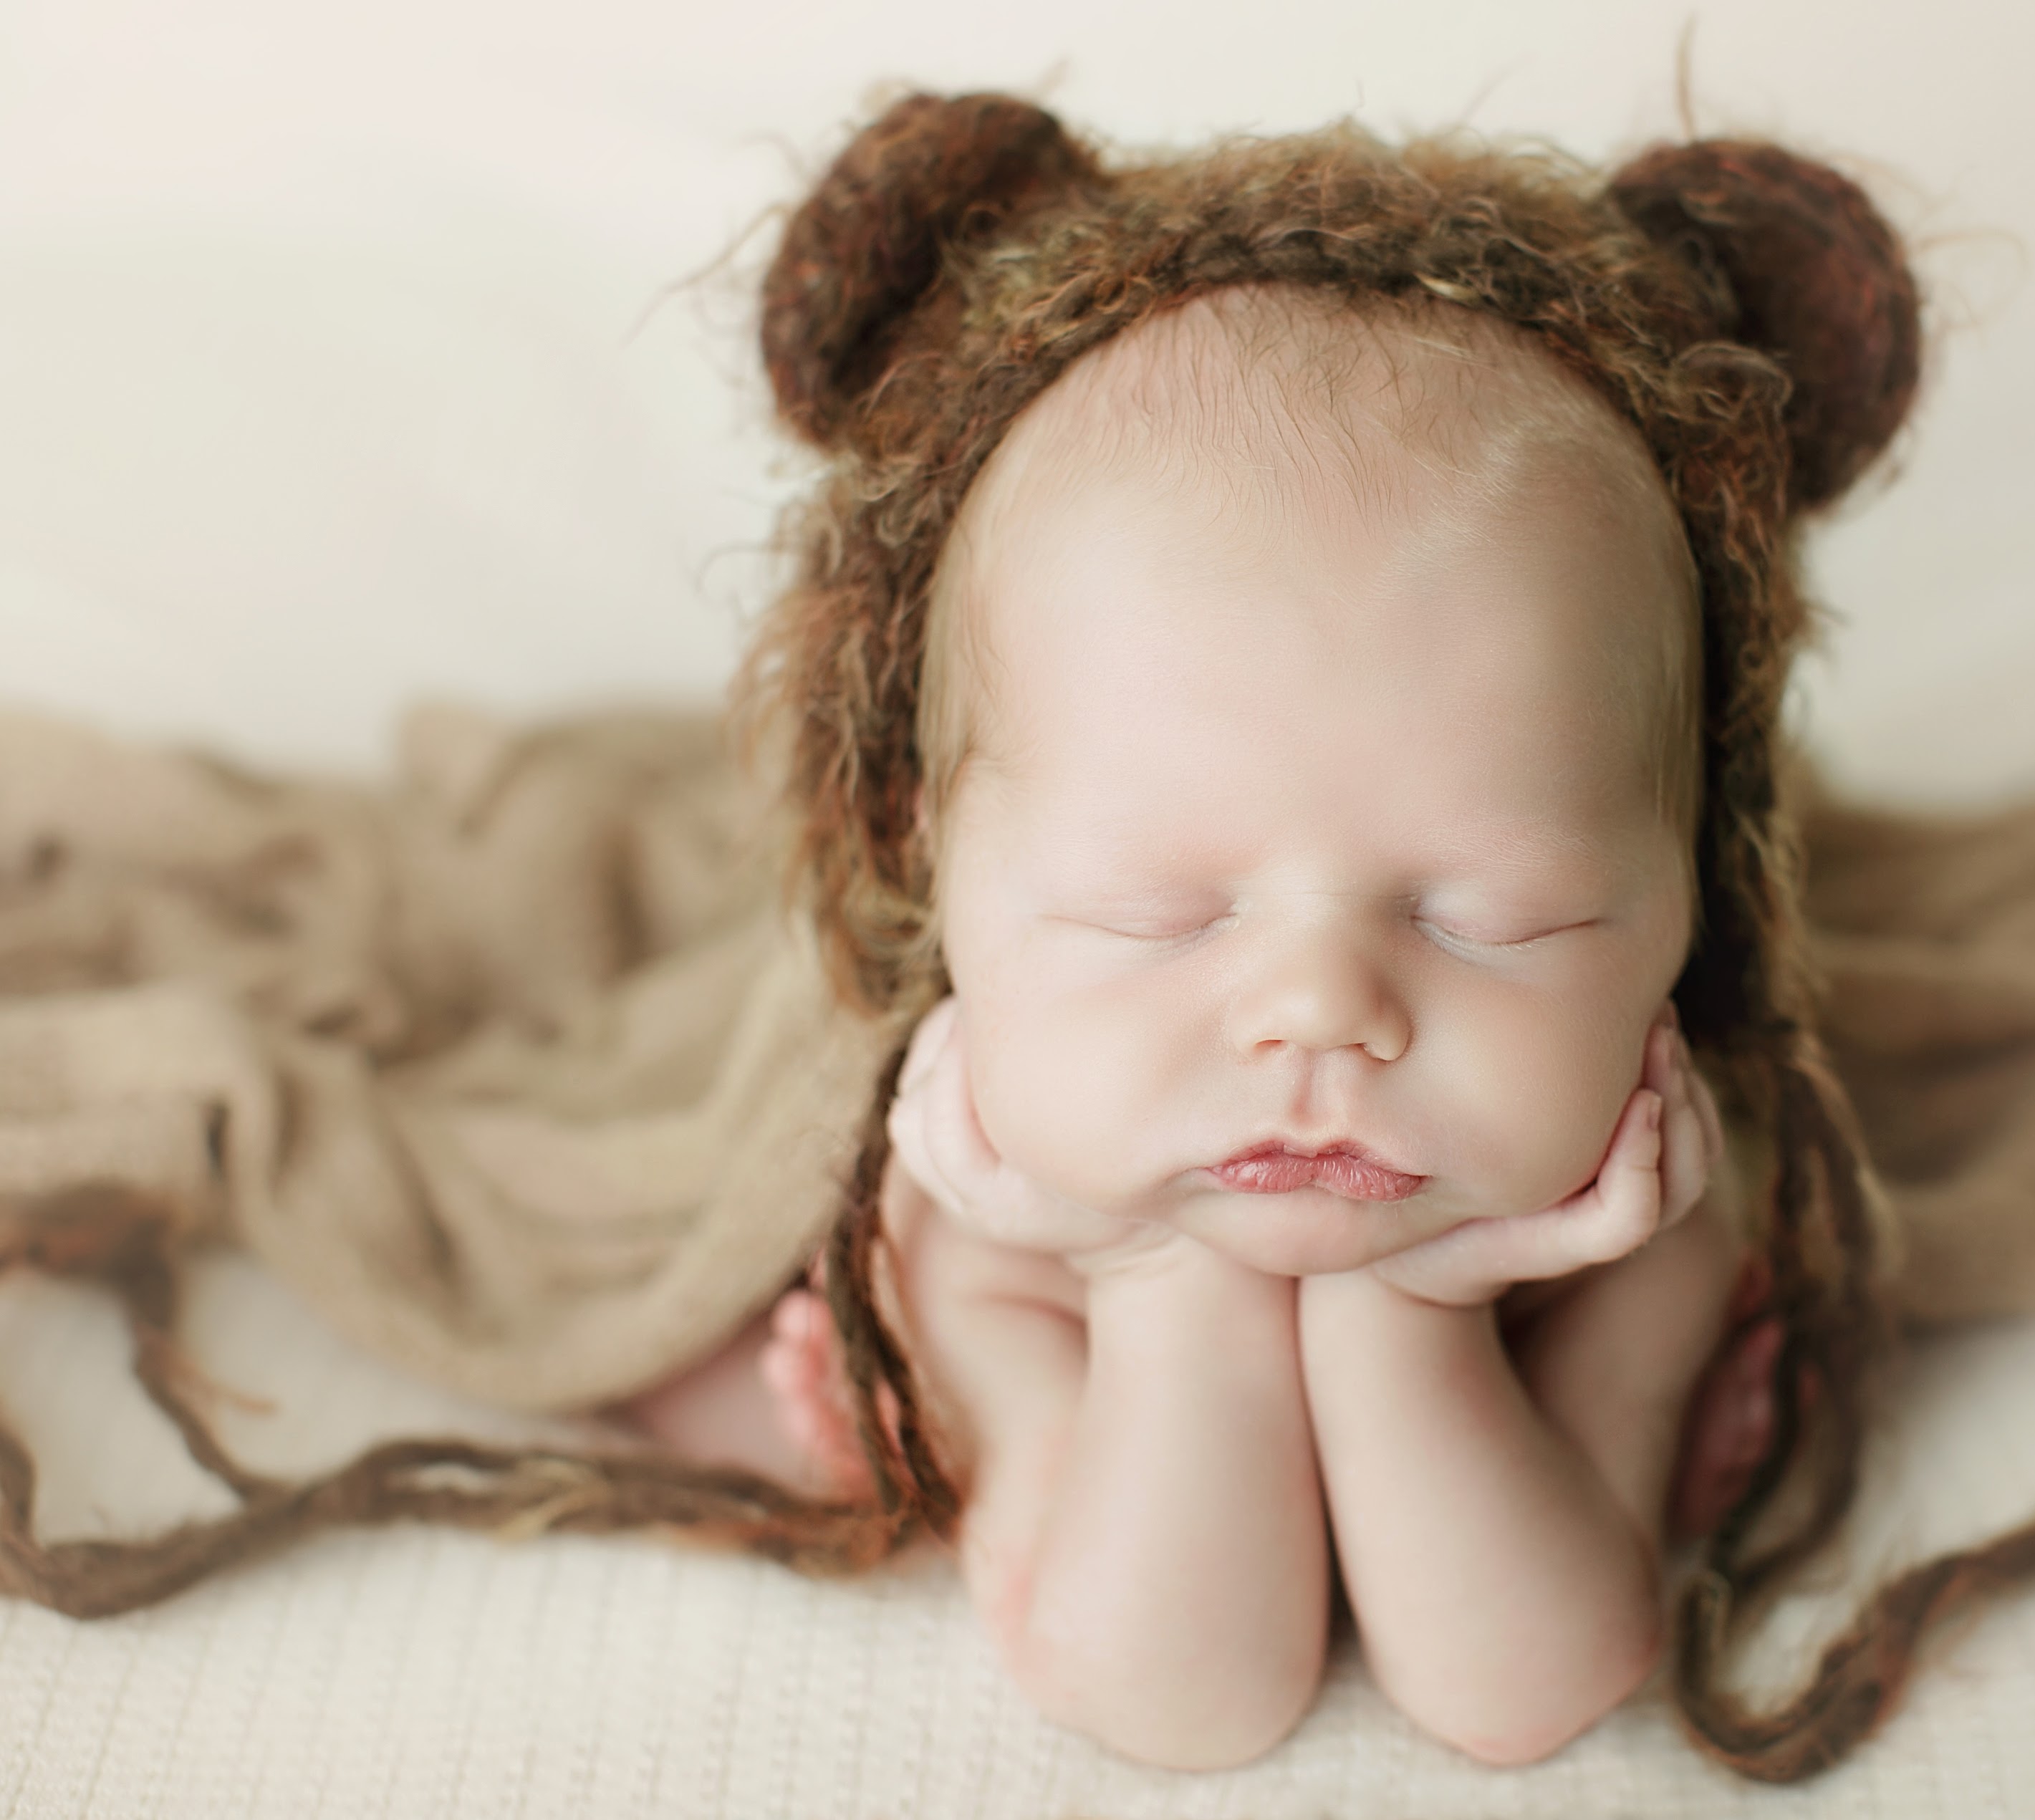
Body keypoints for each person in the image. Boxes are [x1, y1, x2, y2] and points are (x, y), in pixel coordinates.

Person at [625, 90, 1919, 1770]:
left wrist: (1413, 1309)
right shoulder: (978, 1207)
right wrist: (1155, 1272)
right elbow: (1178, 1690)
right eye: (1155, 909)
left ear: (1691, 890)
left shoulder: (1636, 1206)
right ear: (938, 871)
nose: (1320, 1008)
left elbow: (1522, 1683)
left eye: (1494, 913)